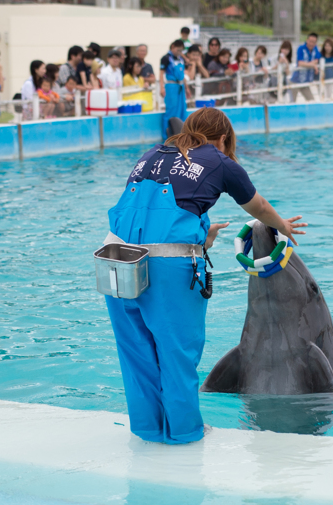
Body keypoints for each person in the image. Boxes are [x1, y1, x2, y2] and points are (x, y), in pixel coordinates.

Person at [104, 107, 306, 444]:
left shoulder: (152, 154)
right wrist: (281, 225)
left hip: (114, 259)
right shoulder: (220, 161)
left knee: (136, 351)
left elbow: (146, 217)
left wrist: (201, 234)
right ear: (224, 138)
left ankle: (148, 430)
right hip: (166, 268)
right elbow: (257, 208)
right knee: (176, 351)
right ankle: (183, 433)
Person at [159, 39, 187, 138]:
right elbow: (161, 73)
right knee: (171, 111)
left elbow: (183, 75)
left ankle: (181, 136)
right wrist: (161, 87)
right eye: (178, 50)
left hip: (180, 86)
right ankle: (167, 136)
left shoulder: (180, 59)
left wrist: (187, 88)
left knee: (182, 110)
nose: (179, 52)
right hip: (171, 86)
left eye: (181, 50)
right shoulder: (166, 58)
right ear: (173, 47)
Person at [290, 33, 320, 103]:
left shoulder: (315, 49)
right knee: (292, 102)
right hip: (296, 80)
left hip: (305, 82)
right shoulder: (301, 48)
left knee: (312, 101)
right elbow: (300, 63)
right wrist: (313, 65)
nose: (311, 43)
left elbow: (317, 60)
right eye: (310, 41)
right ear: (307, 40)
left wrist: (309, 64)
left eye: (314, 42)